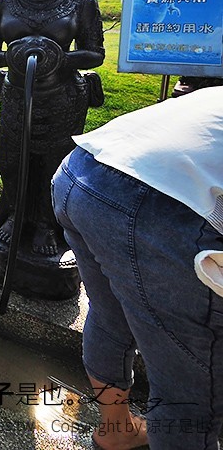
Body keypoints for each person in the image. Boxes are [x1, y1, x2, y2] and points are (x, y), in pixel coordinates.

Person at [52, 87, 223, 450]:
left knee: (110, 314)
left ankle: (115, 432)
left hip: (81, 172)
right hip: (162, 208)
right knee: (191, 383)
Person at [0, 0, 105, 298]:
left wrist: (57, 58)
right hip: (17, 94)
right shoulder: (3, 2)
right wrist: (15, 54)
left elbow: (95, 53)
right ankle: (16, 214)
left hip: (61, 99)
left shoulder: (81, 3)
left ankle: (48, 224)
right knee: (12, 159)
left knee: (53, 163)